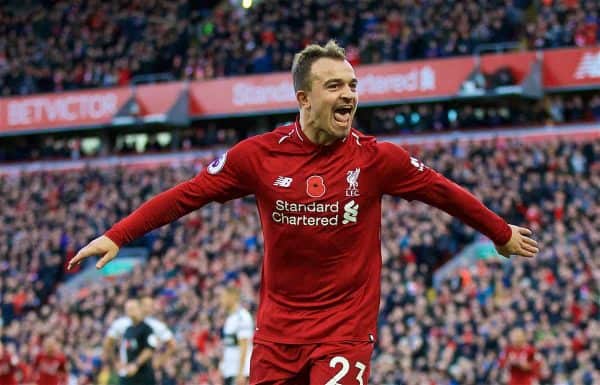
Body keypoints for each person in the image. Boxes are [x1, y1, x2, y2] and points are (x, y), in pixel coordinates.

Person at [68, 40, 539, 385]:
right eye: (335, 85)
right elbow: (188, 194)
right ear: (304, 99)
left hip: (344, 330)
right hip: (277, 331)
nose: (350, 95)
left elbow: (443, 192)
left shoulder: (378, 160)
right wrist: (119, 235)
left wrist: (498, 233)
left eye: (353, 85)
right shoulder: (257, 157)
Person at [104, 296, 175, 369]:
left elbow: (172, 345)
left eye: (151, 306)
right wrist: (115, 362)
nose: (149, 308)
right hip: (126, 370)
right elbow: (108, 343)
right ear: (139, 306)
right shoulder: (121, 323)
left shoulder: (156, 325)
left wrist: (160, 361)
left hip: (147, 370)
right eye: (146, 305)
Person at [112, 299, 157, 385]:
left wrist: (136, 364)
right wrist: (118, 362)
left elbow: (150, 349)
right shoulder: (128, 330)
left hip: (143, 376)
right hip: (128, 375)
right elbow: (124, 349)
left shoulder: (147, 329)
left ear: (139, 309)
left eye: (132, 308)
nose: (130, 311)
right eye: (128, 309)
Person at [219, 286, 254, 385]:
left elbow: (244, 346)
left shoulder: (242, 317)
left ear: (233, 297)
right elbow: (230, 346)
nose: (221, 300)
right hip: (231, 371)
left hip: (240, 373)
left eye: (224, 296)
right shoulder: (230, 318)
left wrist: (241, 373)